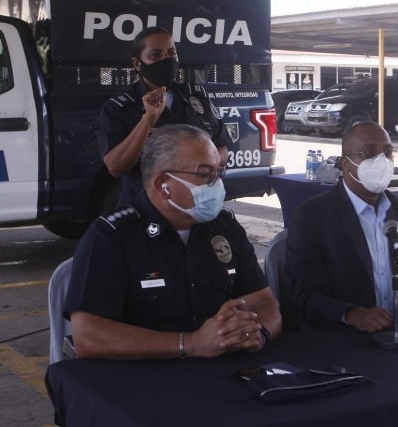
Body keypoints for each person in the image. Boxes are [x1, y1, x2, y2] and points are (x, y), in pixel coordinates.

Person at [65, 124, 280, 359]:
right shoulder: (111, 237)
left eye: (219, 172)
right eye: (204, 174)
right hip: (142, 380)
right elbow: (88, 336)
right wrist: (191, 344)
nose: (217, 184)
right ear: (163, 185)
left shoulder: (225, 228)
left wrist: (258, 333)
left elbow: (264, 303)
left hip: (222, 372)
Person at [285, 121, 398, 332]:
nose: (381, 161)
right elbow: (305, 296)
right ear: (346, 164)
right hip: (345, 341)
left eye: (387, 152)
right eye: (369, 152)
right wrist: (351, 315)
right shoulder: (311, 217)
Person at [96, 26, 229, 207]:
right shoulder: (119, 108)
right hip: (145, 210)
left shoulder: (196, 97)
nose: (167, 60)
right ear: (137, 64)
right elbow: (116, 167)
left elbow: (223, 148)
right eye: (156, 55)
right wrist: (148, 119)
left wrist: (201, 165)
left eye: (172, 53)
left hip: (197, 206)